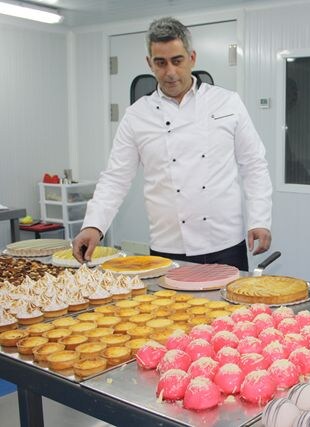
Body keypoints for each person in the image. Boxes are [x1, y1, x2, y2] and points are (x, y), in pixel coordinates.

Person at [73, 17, 272, 270]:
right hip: (168, 247)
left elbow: (254, 165)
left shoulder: (228, 103)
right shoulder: (136, 115)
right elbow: (115, 177)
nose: (170, 72)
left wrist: (260, 219)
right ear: (149, 63)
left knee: (230, 310)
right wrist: (94, 225)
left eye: (177, 61)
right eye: (160, 63)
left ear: (192, 58)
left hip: (225, 242)